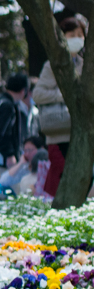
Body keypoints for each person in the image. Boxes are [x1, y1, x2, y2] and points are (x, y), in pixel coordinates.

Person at [35, 16, 85, 197]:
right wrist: (63, 95)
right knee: (61, 175)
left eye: (81, 35)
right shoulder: (52, 65)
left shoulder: (84, 65)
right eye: (72, 34)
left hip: (80, 131)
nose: (77, 39)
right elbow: (38, 94)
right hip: (59, 132)